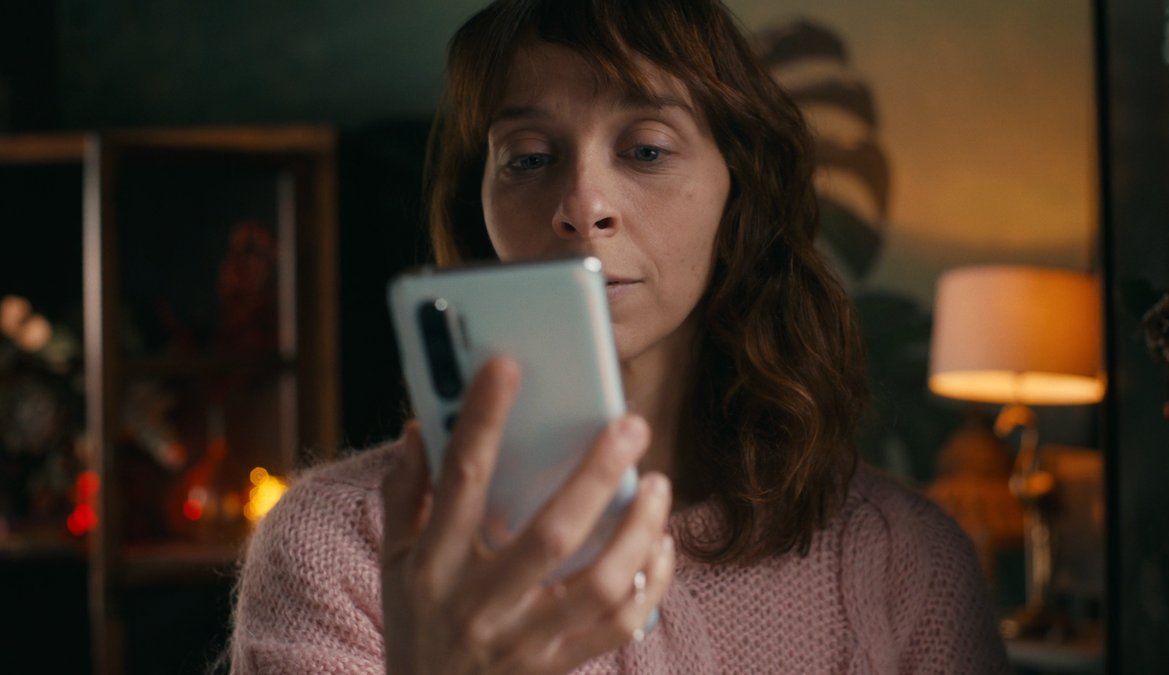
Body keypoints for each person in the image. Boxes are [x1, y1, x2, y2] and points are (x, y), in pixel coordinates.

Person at [229, 0, 1009, 672]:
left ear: (736, 191)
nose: (583, 204)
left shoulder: (908, 564)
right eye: (529, 159)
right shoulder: (334, 546)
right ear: (480, 209)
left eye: (645, 150)